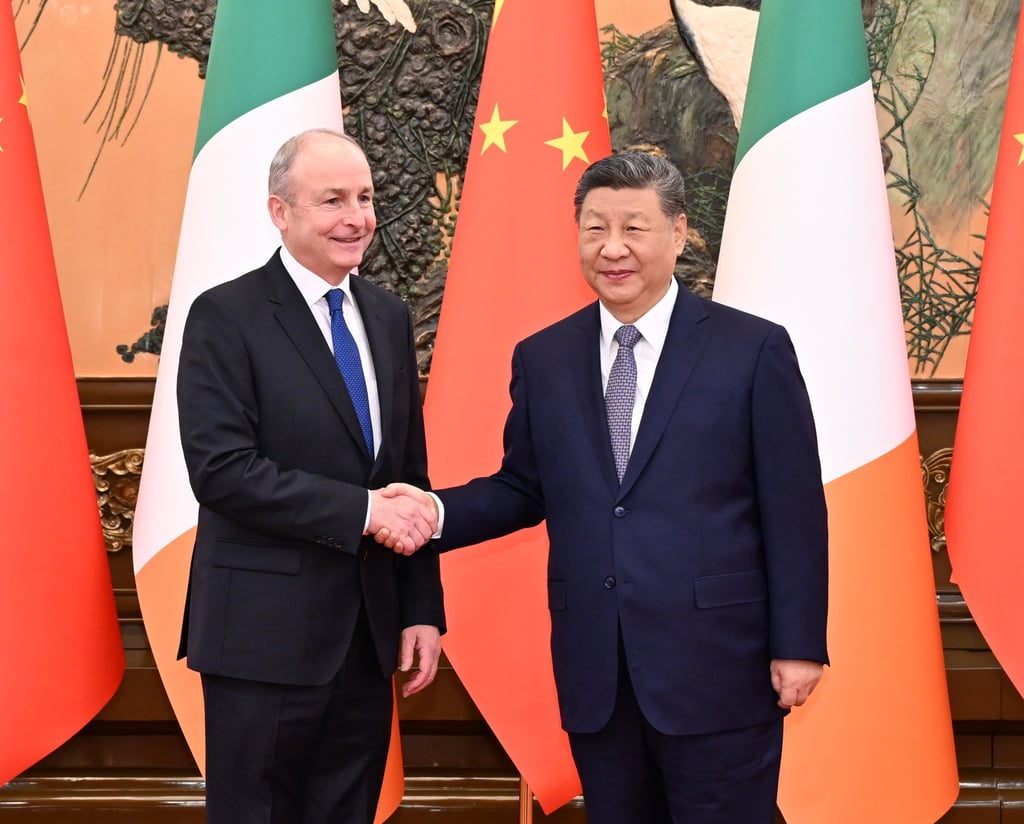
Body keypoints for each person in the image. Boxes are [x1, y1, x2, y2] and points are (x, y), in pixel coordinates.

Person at [381, 152, 828, 823]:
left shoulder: (751, 350)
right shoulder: (545, 357)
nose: (612, 248)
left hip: (719, 669)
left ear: (678, 234)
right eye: (594, 228)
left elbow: (793, 511)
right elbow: (523, 488)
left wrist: (798, 644)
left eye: (634, 228)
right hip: (599, 673)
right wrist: (434, 512)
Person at [176, 128, 445, 824]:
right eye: (332, 200)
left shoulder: (386, 317)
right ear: (280, 212)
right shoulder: (224, 317)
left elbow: (407, 476)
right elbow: (223, 472)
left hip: (366, 637)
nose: (356, 217)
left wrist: (420, 608)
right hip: (262, 641)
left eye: (364, 197)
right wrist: (362, 511)